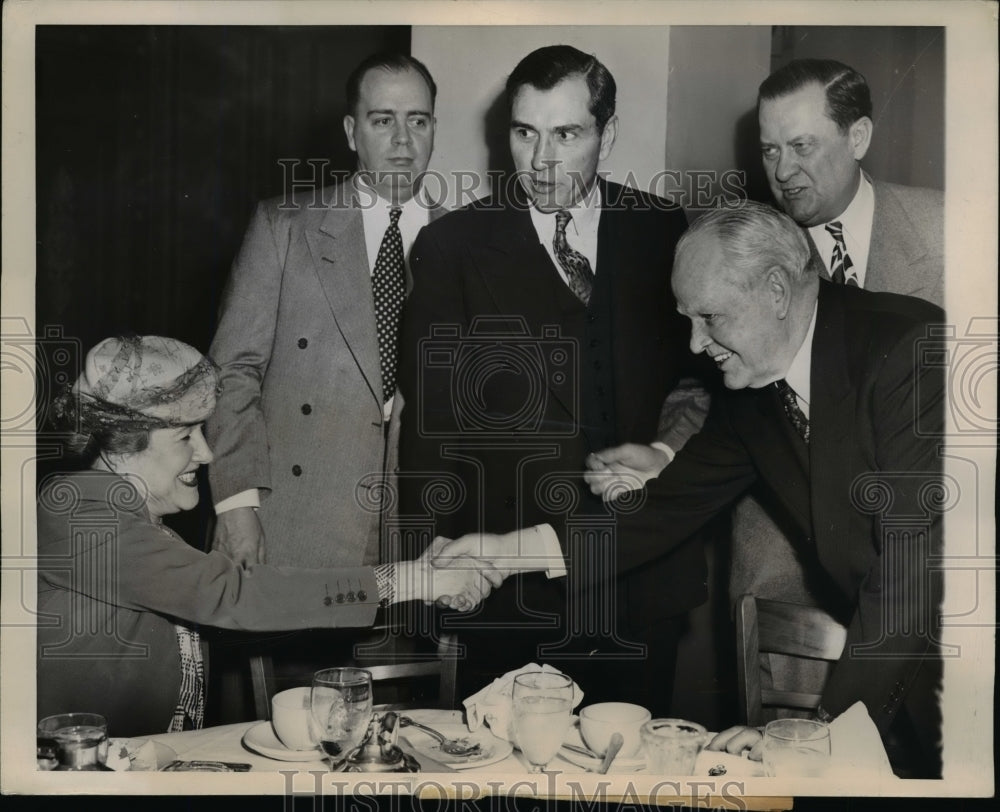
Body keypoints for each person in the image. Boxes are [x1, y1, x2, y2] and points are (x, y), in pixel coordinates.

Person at [451, 202, 945, 777]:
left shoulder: (910, 351)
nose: (694, 344)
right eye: (687, 318)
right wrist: (500, 553)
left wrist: (820, 736)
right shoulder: (755, 393)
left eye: (710, 317)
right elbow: (656, 512)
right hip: (894, 680)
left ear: (778, 291)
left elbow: (912, 573)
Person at [399, 45, 704, 710]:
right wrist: (434, 571)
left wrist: (667, 451)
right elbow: (430, 432)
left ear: (608, 132)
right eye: (524, 133)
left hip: (640, 580)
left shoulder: (661, 229)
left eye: (567, 134)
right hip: (507, 595)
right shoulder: (452, 246)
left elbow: (694, 387)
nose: (541, 161)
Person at [36, 335, 522, 737]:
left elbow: (251, 610)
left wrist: (425, 577)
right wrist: (409, 582)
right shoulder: (79, 511)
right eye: (186, 437)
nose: (206, 454)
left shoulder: (122, 513)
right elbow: (234, 596)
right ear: (121, 448)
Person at [206, 52, 445, 570]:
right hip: (294, 516)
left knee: (409, 655)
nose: (403, 141)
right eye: (383, 121)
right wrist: (236, 503)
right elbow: (233, 372)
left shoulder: (468, 242)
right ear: (351, 131)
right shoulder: (285, 227)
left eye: (418, 121)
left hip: (419, 528)